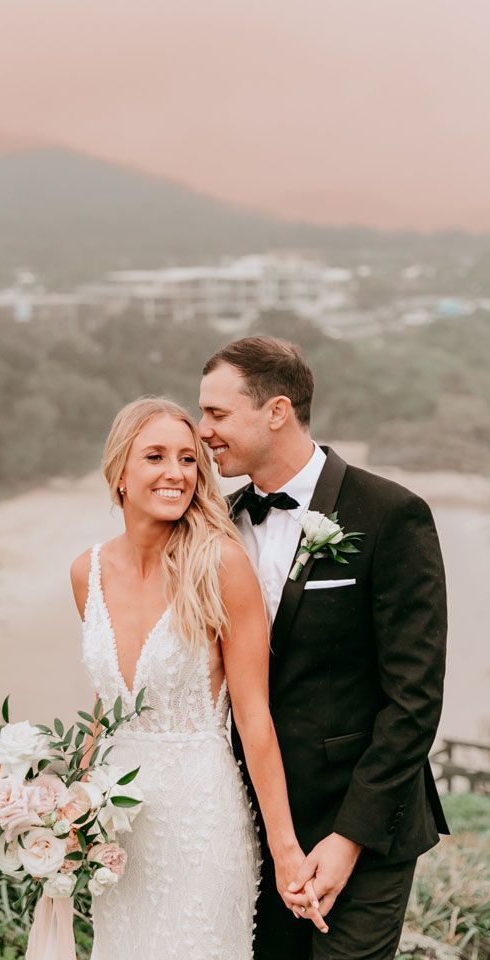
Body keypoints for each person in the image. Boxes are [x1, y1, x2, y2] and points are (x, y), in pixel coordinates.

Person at [198, 335, 449, 960]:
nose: (204, 431)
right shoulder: (218, 526)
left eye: (217, 414)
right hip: (252, 829)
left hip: (365, 826)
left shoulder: (392, 514)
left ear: (276, 410)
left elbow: (414, 699)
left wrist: (348, 840)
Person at [70, 397, 327, 960]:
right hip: (117, 829)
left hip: (200, 821)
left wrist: (286, 850)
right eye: (155, 456)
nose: (176, 473)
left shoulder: (220, 565)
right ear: (119, 472)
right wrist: (69, 805)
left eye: (189, 459)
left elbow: (254, 715)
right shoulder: (86, 572)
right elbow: (107, 699)